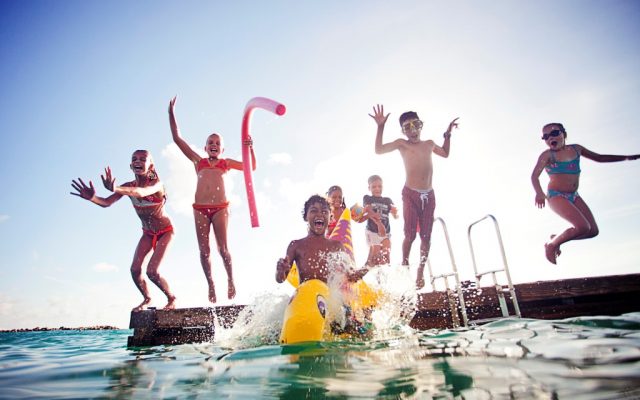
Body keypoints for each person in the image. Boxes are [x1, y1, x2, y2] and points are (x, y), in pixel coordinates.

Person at [168, 96, 256, 303]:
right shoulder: (198, 161)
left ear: (222, 149)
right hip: (200, 209)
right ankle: (211, 284)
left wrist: (250, 147)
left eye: (217, 143)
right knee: (204, 251)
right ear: (205, 147)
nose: (214, 145)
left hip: (220, 208)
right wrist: (171, 113)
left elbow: (250, 167)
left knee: (222, 249)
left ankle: (231, 279)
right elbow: (177, 139)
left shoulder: (225, 163)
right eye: (210, 143)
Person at [70, 150, 176, 312]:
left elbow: (140, 192)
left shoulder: (157, 184)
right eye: (134, 159)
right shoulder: (128, 186)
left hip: (165, 231)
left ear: (151, 166)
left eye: (143, 159)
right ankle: (147, 298)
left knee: (152, 271)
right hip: (147, 233)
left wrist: (116, 188)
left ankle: (171, 298)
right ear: (131, 166)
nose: (138, 161)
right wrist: (92, 198)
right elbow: (106, 202)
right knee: (135, 270)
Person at [370, 104, 459, 289]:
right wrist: (380, 127)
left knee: (426, 237)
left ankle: (420, 270)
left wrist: (448, 134)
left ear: (421, 125)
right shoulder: (402, 144)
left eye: (415, 125)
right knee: (410, 235)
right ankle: (404, 263)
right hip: (410, 194)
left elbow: (446, 153)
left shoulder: (429, 144)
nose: (412, 130)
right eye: (407, 127)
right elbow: (378, 150)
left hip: (429, 195)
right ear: (403, 131)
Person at [531, 122, 640, 264]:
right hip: (556, 195)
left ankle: (556, 238)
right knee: (583, 227)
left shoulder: (577, 149)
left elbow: (600, 158)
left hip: (574, 195)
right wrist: (539, 193)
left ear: (564, 134)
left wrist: (626, 157)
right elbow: (534, 176)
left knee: (593, 231)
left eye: (554, 133)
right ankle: (551, 245)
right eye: (545, 136)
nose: (549, 138)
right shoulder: (547, 155)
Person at [355, 175, 398, 266]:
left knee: (386, 257)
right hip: (372, 231)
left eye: (380, 186)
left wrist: (395, 213)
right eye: (374, 187)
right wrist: (375, 217)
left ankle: (382, 278)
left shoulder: (387, 200)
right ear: (369, 188)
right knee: (375, 257)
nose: (377, 189)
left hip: (385, 233)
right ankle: (363, 272)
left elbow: (395, 216)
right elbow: (368, 209)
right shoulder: (367, 198)